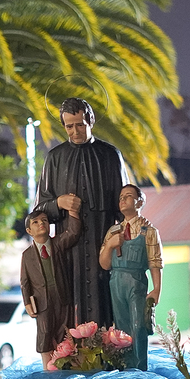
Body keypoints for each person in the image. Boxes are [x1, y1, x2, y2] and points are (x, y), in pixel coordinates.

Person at [34, 98, 129, 328]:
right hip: (68, 253)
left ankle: (108, 345)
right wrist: (59, 202)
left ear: (90, 121)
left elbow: (126, 205)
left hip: (103, 244)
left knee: (105, 302)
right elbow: (39, 212)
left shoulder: (110, 155)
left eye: (80, 125)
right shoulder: (55, 158)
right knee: (70, 308)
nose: (75, 131)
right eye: (69, 126)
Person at [99, 184, 163, 370]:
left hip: (136, 281)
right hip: (116, 281)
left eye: (128, 196)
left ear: (140, 202)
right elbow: (104, 264)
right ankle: (125, 366)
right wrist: (110, 245)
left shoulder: (149, 232)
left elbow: (155, 261)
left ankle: (140, 367)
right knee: (121, 326)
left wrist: (157, 289)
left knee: (138, 325)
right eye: (121, 197)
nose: (123, 200)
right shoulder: (113, 231)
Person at [20, 206, 81, 368]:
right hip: (42, 302)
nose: (41, 224)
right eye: (35, 222)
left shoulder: (58, 244)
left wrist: (73, 212)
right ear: (29, 230)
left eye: (44, 221)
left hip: (62, 297)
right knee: (45, 332)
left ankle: (66, 364)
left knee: (65, 330)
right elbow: (25, 282)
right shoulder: (27, 255)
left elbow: (73, 233)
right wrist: (27, 303)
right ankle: (48, 367)